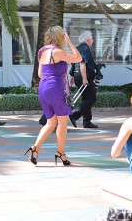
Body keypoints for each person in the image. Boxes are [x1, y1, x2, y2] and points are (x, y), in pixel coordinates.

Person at [24, 26, 81, 166]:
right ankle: (61, 153)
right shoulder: (57, 52)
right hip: (55, 88)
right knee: (62, 123)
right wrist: (69, 41)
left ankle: (35, 149)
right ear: (60, 37)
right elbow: (78, 58)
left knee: (51, 123)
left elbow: (39, 74)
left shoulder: (42, 53)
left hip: (43, 88)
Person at [70, 31, 99, 128]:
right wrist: (84, 78)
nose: (93, 40)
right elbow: (82, 63)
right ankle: (75, 115)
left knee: (86, 98)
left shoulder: (78, 48)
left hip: (78, 76)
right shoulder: (86, 49)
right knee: (91, 98)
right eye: (92, 38)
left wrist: (73, 76)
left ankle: (87, 122)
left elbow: (74, 63)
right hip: (84, 76)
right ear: (87, 39)